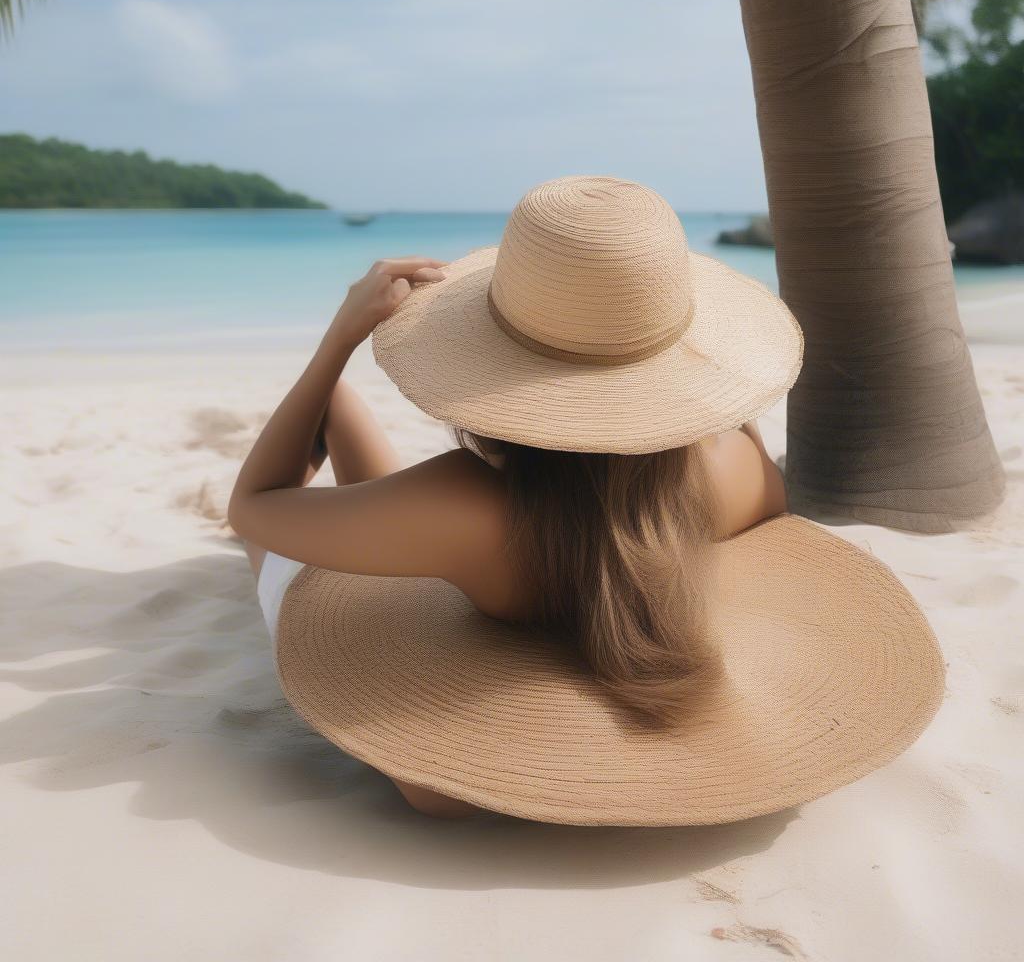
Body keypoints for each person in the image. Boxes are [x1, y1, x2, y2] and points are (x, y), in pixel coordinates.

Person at [229, 178, 789, 819]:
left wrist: (339, 338)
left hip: (459, 550)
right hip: (517, 564)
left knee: (314, 439)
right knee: (377, 492)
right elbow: (754, 462)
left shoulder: (466, 503)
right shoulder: (727, 476)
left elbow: (254, 505)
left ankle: (343, 465)